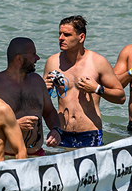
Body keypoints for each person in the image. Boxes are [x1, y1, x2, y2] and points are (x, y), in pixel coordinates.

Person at [42, 16, 125, 148]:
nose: (61, 38)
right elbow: (41, 103)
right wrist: (44, 90)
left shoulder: (98, 62)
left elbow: (121, 97)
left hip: (90, 134)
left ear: (81, 37)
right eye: (60, 34)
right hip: (61, 134)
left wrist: (97, 89)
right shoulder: (53, 62)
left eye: (67, 35)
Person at [0, 38, 62, 156]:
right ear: (19, 58)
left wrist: (55, 130)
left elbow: (49, 111)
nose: (37, 58)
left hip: (36, 153)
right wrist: (13, 126)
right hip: (6, 156)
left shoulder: (37, 81)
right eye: (33, 54)